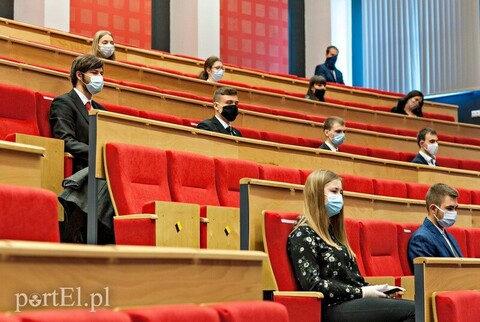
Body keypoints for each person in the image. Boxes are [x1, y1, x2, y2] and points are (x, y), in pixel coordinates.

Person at [288, 169, 415, 322]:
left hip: (351, 302)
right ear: (316, 194)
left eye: (341, 192)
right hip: (330, 307)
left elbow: (352, 281)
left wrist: (376, 289)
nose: (339, 197)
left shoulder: (333, 235)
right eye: (334, 191)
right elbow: (312, 285)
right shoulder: (303, 234)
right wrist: (361, 292)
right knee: (415, 311)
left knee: (418, 309)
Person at [50, 54, 114, 244]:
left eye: (101, 73)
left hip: (103, 169)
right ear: (79, 75)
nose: (99, 78)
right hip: (80, 167)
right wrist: (97, 154)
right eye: (95, 73)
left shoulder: (102, 110)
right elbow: (66, 140)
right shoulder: (64, 103)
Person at [408, 183, 463, 270]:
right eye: (449, 208)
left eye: (456, 208)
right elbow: (430, 277)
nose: (454, 213)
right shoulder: (421, 239)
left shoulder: (450, 237)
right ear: (433, 209)